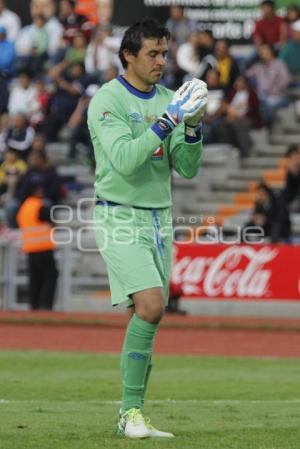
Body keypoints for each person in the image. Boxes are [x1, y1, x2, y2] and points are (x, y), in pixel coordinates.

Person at [88, 18, 208, 439]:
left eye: (164, 53)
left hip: (160, 217)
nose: (161, 61)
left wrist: (192, 125)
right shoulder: (107, 99)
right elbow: (123, 159)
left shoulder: (169, 99)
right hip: (119, 214)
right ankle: (129, 413)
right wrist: (167, 121)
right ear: (129, 56)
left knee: (151, 314)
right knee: (153, 306)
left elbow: (187, 169)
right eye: (152, 54)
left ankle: (132, 415)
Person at [16, 184, 58, 310]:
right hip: (43, 247)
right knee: (50, 276)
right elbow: (50, 221)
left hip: (30, 248)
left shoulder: (23, 208)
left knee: (35, 279)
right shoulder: (39, 205)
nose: (41, 192)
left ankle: (34, 306)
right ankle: (45, 305)